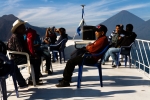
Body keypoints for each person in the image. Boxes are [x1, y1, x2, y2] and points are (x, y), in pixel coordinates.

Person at [7, 19, 43, 85]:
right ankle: (33, 80)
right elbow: (21, 50)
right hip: (16, 58)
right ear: (18, 29)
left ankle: (33, 78)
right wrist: (31, 55)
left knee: (36, 57)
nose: (24, 29)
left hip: (18, 56)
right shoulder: (16, 37)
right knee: (36, 60)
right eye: (22, 27)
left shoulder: (19, 36)